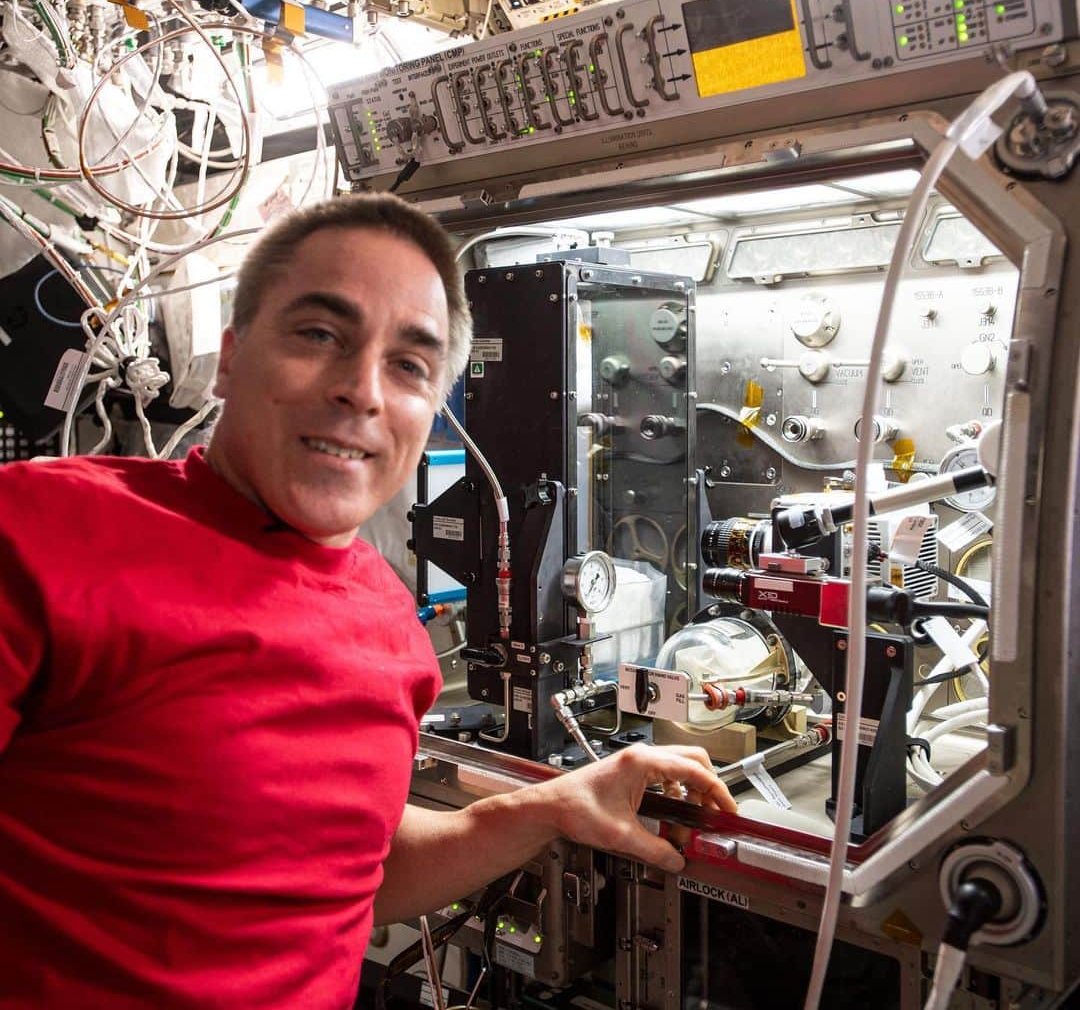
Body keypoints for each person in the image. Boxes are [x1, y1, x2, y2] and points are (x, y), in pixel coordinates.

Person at [0, 193, 735, 1008]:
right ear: (231, 358)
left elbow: (357, 874)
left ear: (432, 410)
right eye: (319, 335)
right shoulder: (42, 532)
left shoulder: (388, 627)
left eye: (409, 365)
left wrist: (551, 808)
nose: (362, 390)